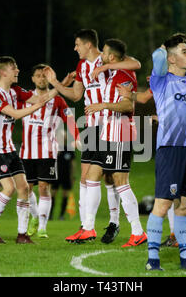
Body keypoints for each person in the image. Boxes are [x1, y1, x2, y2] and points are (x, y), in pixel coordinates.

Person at [44, 29, 141, 244]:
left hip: (112, 124)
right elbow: (77, 95)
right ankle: (86, 226)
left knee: (110, 177)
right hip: (93, 126)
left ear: (89, 44)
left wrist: (106, 66)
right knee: (88, 177)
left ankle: (114, 222)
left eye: (77, 44)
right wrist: (57, 84)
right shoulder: (82, 67)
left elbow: (135, 64)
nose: (75, 48)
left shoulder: (109, 59)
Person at [144, 33, 186, 271]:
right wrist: (166, 47)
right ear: (171, 59)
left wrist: (182, 45)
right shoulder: (160, 80)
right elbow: (157, 56)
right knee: (163, 204)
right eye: (184, 52)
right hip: (170, 149)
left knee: (185, 205)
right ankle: (152, 260)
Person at [0, 56, 56, 244]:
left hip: (10, 149)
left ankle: (22, 235)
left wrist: (60, 85)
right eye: (14, 68)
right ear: (3, 72)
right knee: (9, 188)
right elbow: (14, 113)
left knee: (23, 188)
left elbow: (41, 97)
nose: (18, 70)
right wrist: (37, 106)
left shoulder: (15, 90)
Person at [83, 38, 147, 247]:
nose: (100, 56)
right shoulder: (112, 72)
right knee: (93, 175)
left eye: (104, 53)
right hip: (109, 133)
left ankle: (137, 231)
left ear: (111, 56)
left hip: (121, 133)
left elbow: (127, 105)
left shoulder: (123, 75)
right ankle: (88, 227)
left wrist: (102, 105)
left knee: (120, 182)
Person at [18, 63, 80, 239]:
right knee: (27, 189)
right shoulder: (24, 97)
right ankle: (36, 218)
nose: (41, 78)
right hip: (27, 152)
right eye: (38, 75)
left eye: (45, 75)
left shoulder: (58, 101)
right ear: (32, 78)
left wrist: (75, 136)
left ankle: (43, 227)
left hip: (48, 151)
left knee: (44, 187)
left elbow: (69, 117)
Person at [50, 129, 76, 221]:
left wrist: (73, 176)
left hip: (66, 176)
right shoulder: (54, 148)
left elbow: (73, 164)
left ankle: (61, 215)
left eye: (63, 137)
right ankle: (50, 215)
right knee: (52, 195)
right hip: (55, 176)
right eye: (60, 137)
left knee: (65, 195)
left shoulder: (69, 149)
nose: (62, 138)